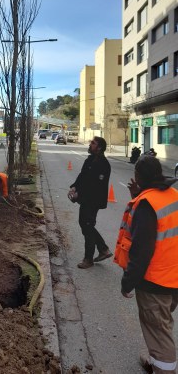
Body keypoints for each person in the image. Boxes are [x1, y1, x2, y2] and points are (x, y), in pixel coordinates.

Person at [114, 155, 178, 374]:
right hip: (174, 277)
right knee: (161, 324)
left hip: (156, 283)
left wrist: (127, 283)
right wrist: (139, 194)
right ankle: (155, 360)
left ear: (138, 176)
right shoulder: (172, 195)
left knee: (159, 333)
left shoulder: (147, 206)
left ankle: (163, 367)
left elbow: (141, 252)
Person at [68, 136, 112, 269]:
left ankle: (88, 259)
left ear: (99, 148)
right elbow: (82, 177)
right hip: (86, 199)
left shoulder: (103, 164)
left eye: (93, 143)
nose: (90, 144)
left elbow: (94, 186)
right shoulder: (90, 160)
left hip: (94, 200)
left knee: (87, 226)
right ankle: (103, 249)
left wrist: (79, 194)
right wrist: (74, 187)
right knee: (86, 225)